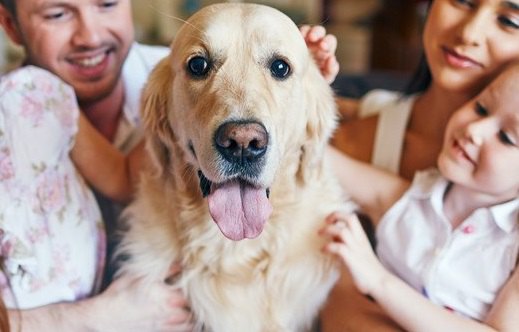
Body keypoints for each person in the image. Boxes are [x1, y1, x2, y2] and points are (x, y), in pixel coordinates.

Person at [0, 0, 339, 330]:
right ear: (10, 25)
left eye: (106, 4)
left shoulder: (160, 65)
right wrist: (85, 319)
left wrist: (305, 68)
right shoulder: (161, 80)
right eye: (57, 13)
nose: (89, 36)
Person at [321, 0, 519, 330]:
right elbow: (314, 152)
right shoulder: (417, 194)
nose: (469, 33)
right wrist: (297, 74)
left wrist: (378, 280)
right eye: (481, 110)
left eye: (511, 21)